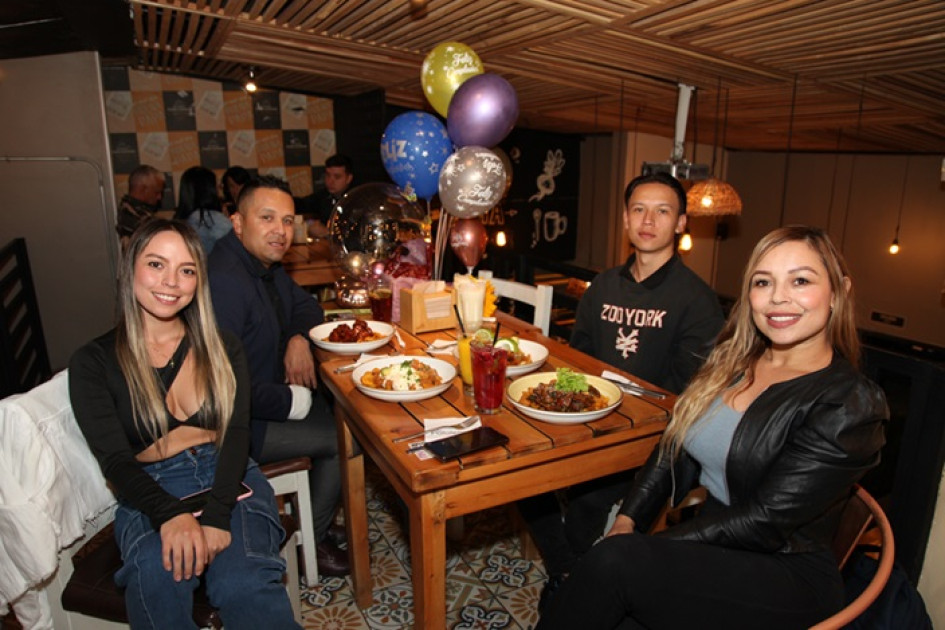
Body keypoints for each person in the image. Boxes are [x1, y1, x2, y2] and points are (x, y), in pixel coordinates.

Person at [537, 225, 888, 630]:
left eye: (801, 280)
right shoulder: (734, 361)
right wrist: (627, 520)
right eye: (763, 282)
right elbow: (674, 449)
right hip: (713, 544)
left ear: (839, 291)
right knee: (607, 594)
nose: (778, 297)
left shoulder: (851, 402)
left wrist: (641, 547)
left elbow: (765, 521)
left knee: (612, 566)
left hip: (785, 573)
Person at [69, 219, 300, 629]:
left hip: (228, 476)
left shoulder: (222, 346)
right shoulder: (94, 362)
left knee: (243, 586)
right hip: (150, 486)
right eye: (156, 265)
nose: (171, 282)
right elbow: (115, 462)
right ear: (130, 269)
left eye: (187, 270)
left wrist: (216, 514)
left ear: (199, 280)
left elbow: (237, 435)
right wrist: (169, 514)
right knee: (157, 582)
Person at [523, 172, 725, 608]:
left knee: (586, 503)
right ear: (625, 219)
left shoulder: (696, 300)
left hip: (653, 439)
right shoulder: (604, 287)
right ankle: (567, 568)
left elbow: (684, 397)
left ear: (681, 223)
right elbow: (580, 361)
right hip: (589, 419)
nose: (648, 220)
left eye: (662, 211)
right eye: (639, 209)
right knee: (522, 472)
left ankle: (576, 577)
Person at [207, 175, 349, 576]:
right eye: (267, 218)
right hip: (237, 427)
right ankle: (310, 544)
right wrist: (292, 401)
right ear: (237, 222)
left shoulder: (260, 264)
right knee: (346, 439)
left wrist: (296, 340)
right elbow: (224, 390)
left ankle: (315, 511)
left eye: (288, 221)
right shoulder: (226, 282)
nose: (280, 231)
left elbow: (306, 307)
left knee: (339, 410)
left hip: (263, 401)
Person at [174, 166, 232, 254]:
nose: (220, 193)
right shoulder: (212, 219)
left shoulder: (178, 222)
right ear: (209, 190)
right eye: (217, 187)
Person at [295, 153, 354, 237]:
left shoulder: (356, 200)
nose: (330, 181)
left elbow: (356, 234)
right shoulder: (325, 195)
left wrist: (328, 232)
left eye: (337, 177)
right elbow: (302, 204)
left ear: (349, 178)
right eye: (328, 175)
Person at [117, 164, 165, 251]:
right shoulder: (134, 216)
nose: (159, 197)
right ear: (142, 189)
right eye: (156, 192)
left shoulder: (129, 210)